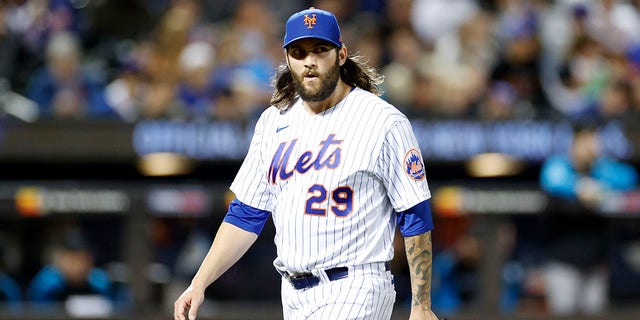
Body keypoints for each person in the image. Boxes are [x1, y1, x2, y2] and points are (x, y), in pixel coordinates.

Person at [174, 7, 439, 320]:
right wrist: (200, 281)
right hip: (293, 293)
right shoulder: (274, 121)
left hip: (356, 285)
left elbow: (414, 213)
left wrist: (421, 305)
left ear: (341, 55)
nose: (309, 61)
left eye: (320, 50)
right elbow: (247, 214)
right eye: (298, 52)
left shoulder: (382, 120)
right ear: (287, 59)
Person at [539, 122, 638, 315]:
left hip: (596, 262)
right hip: (563, 261)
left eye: (595, 140)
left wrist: (598, 190)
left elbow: (629, 179)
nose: (593, 146)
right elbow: (553, 184)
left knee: (596, 313)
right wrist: (580, 188)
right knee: (563, 313)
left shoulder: (603, 170)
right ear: (575, 142)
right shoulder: (558, 168)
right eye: (588, 140)